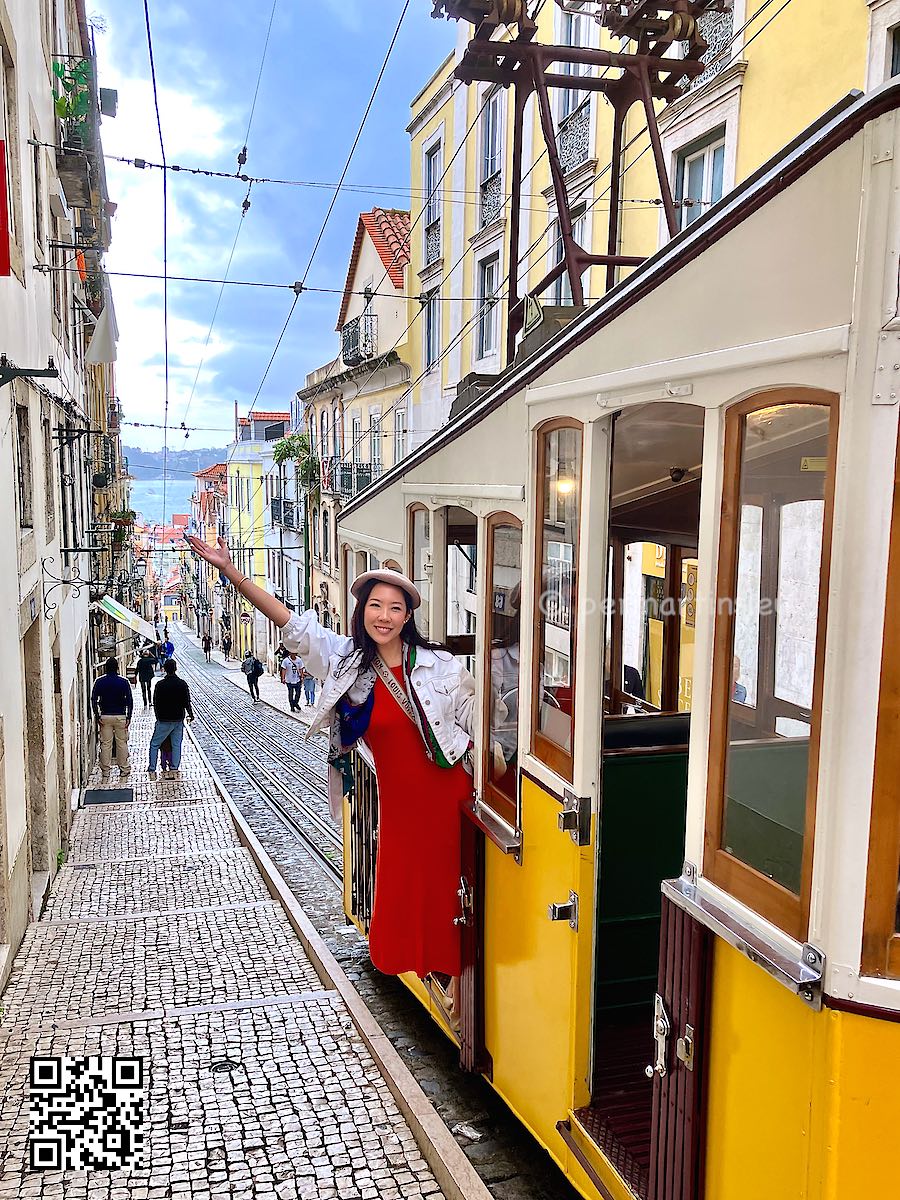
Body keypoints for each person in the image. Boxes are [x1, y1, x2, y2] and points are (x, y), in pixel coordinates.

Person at [184, 532, 476, 1029]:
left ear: (409, 616)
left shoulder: (442, 665)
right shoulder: (343, 660)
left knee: (453, 890)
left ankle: (460, 982)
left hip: (449, 793)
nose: (383, 616)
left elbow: (474, 726)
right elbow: (288, 622)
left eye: (395, 608)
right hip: (401, 802)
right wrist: (230, 572)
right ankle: (437, 979)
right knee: (407, 890)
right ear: (362, 610)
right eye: (375, 605)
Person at [148, 659, 194, 781]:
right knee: (176, 744)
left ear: (165, 669)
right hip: (178, 719)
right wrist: (190, 714)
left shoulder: (159, 685)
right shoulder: (182, 684)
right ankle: (174, 767)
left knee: (154, 744)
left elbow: (155, 702)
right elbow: (186, 702)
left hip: (163, 719)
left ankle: (152, 767)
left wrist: (158, 717)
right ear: (175, 668)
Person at [90, 657, 134, 780]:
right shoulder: (124, 682)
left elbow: (93, 699)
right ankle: (124, 769)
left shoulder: (99, 682)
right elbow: (130, 700)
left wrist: (97, 715)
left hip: (105, 716)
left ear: (105, 668)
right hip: (120, 716)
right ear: (117, 668)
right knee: (122, 743)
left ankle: (106, 771)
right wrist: (129, 716)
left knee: (106, 744)